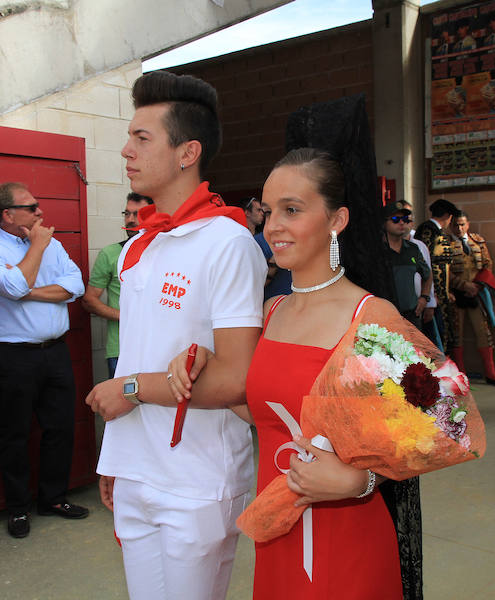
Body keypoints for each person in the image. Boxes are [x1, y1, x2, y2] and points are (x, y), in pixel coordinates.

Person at [169, 148, 409, 599]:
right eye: (268, 209)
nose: (273, 225)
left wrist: (362, 479)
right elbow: (260, 410)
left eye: (292, 209)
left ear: (337, 220)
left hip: (347, 539)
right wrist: (204, 360)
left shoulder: (371, 316)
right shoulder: (271, 310)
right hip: (277, 529)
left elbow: (436, 426)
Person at [84, 70, 266, 600]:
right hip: (138, 471)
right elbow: (135, 356)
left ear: (188, 152)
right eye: (129, 137)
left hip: (196, 481)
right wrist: (115, 461)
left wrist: (133, 389)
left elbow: (236, 380)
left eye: (142, 139)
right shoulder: (140, 246)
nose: (126, 150)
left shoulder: (228, 241)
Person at [0, 182, 88, 540]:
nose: (40, 213)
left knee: (61, 428)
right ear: (7, 214)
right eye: (32, 207)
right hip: (13, 356)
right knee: (15, 434)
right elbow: (15, 287)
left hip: (55, 351)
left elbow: (75, 287)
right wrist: (36, 248)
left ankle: (52, 498)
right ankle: (18, 507)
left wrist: (26, 292)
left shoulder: (55, 245)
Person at [81, 192, 152, 378]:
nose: (130, 220)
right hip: (121, 351)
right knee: (122, 405)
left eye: (137, 214)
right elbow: (89, 300)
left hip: (158, 348)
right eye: (127, 214)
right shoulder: (111, 253)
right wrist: (127, 316)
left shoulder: (166, 250)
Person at [447, 211, 495, 386]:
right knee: (456, 334)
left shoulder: (478, 241)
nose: (459, 228)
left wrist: (478, 286)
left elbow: (487, 265)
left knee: (484, 332)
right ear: (451, 226)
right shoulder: (446, 244)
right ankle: (461, 374)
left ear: (468, 224)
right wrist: (464, 286)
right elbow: (445, 272)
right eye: (456, 225)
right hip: (456, 295)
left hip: (477, 293)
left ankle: (491, 372)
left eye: (462, 224)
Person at [414, 198, 461, 353]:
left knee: (444, 333)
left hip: (441, 294)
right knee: (434, 335)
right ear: (448, 216)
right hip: (433, 294)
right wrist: (430, 296)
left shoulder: (433, 231)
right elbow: (426, 266)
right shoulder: (427, 231)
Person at [384, 200, 432, 328]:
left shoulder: (413, 249)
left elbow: (427, 275)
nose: (401, 222)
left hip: (411, 316)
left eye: (405, 219)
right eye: (395, 219)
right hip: (385, 317)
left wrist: (424, 298)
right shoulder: (377, 252)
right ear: (384, 223)